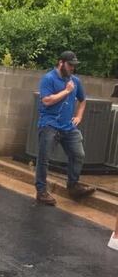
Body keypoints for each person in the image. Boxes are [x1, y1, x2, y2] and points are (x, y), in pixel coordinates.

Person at [35, 51, 95, 206]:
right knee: (44, 159)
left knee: (78, 154)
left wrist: (79, 116)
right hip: (49, 124)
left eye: (74, 66)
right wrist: (66, 91)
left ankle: (73, 186)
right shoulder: (48, 79)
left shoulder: (75, 81)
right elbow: (46, 101)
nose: (72, 68)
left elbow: (82, 100)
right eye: (70, 65)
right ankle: (41, 191)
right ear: (61, 63)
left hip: (68, 126)